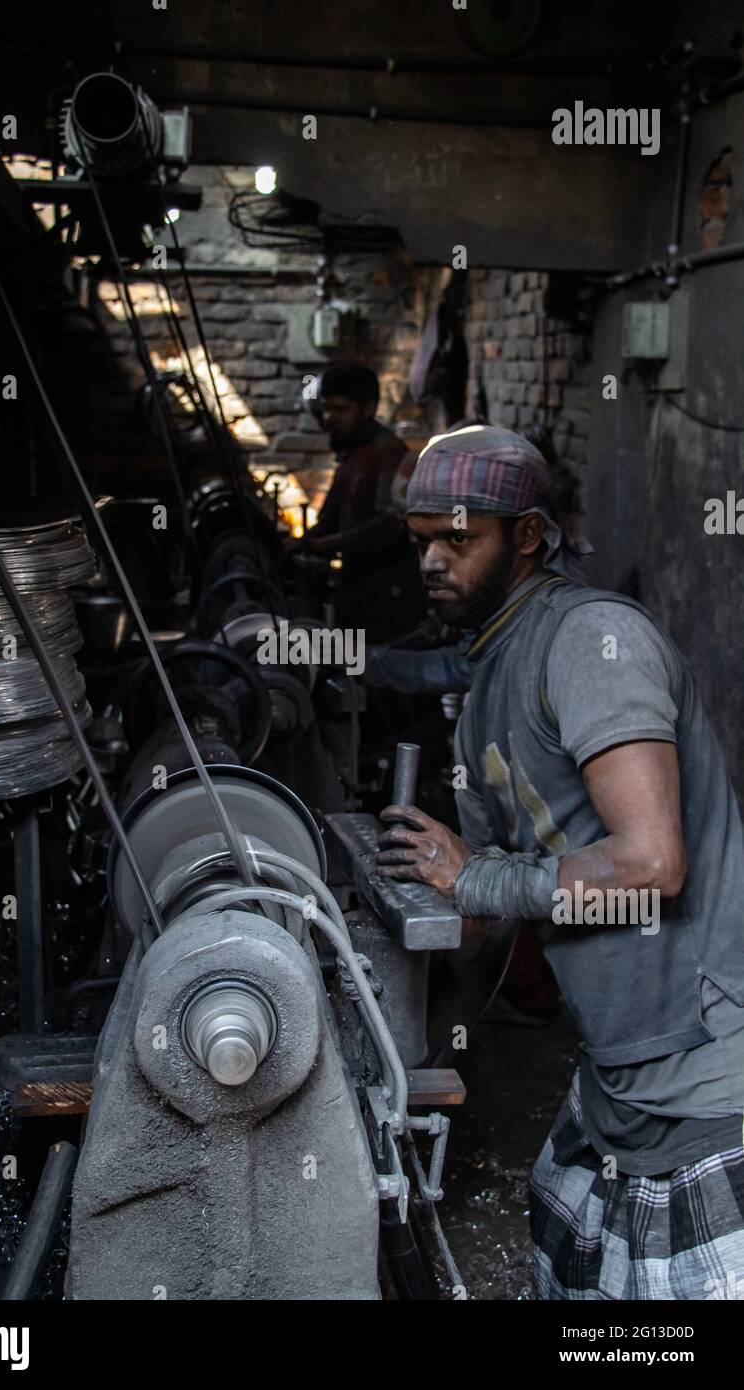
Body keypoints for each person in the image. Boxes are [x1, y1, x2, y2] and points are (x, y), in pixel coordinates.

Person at [376, 422, 744, 1301]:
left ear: (530, 536)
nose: (433, 560)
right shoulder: (488, 679)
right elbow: (487, 910)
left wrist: (479, 877)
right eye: (422, 540)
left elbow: (653, 865)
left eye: (459, 539)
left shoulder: (590, 644)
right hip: (618, 1069)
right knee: (577, 1282)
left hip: (710, 1075)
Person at [297, 362, 423, 642]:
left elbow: (391, 525)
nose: (328, 418)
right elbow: (330, 514)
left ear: (367, 409)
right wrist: (304, 542)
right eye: (326, 408)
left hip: (388, 595)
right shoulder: (352, 453)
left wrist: (326, 544)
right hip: (359, 588)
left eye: (340, 410)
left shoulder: (386, 454)